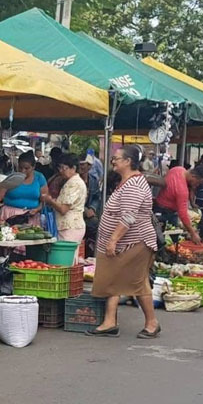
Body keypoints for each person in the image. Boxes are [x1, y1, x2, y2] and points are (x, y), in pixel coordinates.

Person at [89, 145, 159, 338]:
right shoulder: (127, 182)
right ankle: (110, 321)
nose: (113, 161)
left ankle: (151, 323)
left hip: (135, 242)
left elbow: (128, 217)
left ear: (128, 162)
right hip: (126, 242)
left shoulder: (134, 185)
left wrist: (112, 240)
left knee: (136, 282)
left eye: (117, 158)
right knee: (114, 278)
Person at [42, 153, 87, 253]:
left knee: (65, 259)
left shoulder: (74, 183)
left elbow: (63, 209)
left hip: (70, 226)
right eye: (60, 168)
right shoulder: (71, 181)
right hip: (68, 226)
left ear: (73, 168)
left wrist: (50, 201)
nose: (61, 171)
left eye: (64, 168)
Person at [153, 164, 203, 244]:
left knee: (159, 237)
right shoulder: (182, 190)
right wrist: (193, 233)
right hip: (166, 213)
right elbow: (182, 214)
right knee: (163, 240)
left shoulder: (178, 169)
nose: (197, 186)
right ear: (193, 176)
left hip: (159, 207)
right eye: (198, 183)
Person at [0, 151, 48, 227]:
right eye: (20, 167)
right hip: (9, 216)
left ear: (33, 167)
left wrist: (37, 209)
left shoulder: (39, 178)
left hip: (31, 218)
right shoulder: (10, 177)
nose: (23, 171)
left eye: (27, 168)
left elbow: (44, 200)